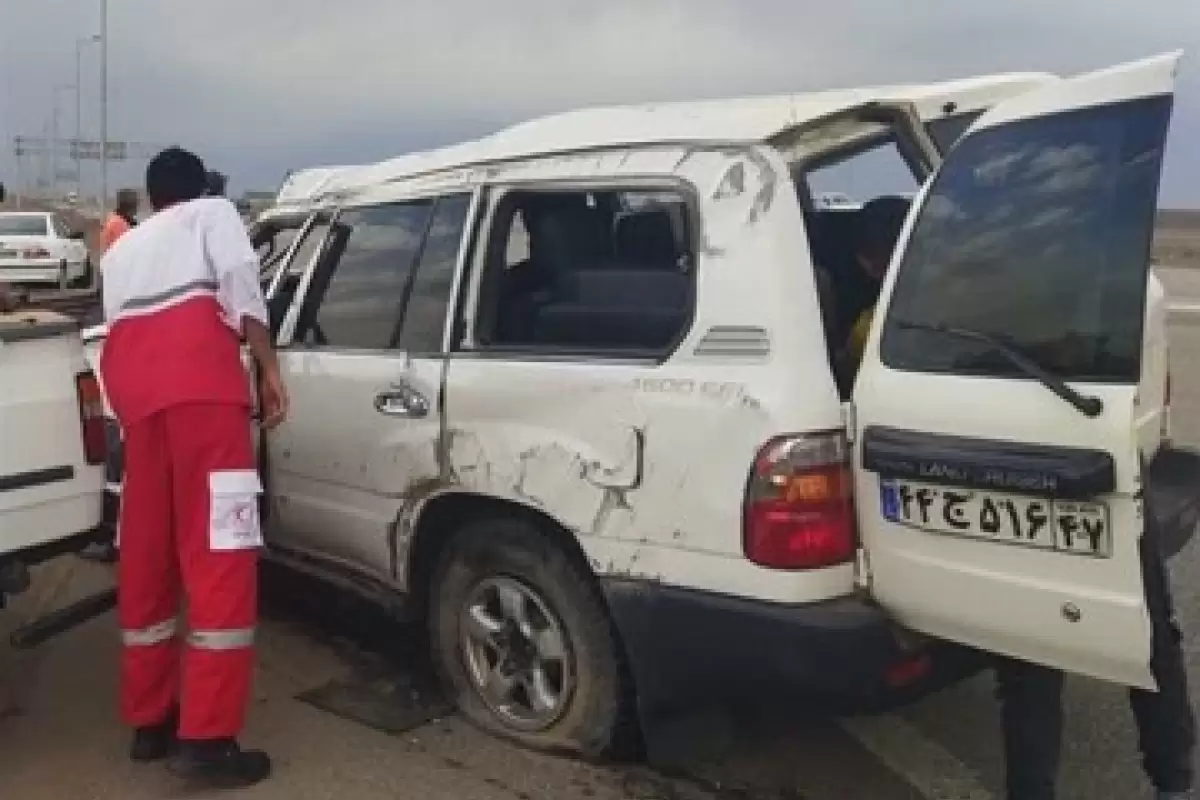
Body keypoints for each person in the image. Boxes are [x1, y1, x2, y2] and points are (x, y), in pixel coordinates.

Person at [98, 146, 288, 789]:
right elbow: (242, 287)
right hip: (205, 400)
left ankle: (149, 723)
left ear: (151, 199)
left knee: (148, 559)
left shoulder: (121, 249)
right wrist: (268, 367)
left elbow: (114, 328)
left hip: (139, 407)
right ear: (200, 187)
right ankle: (206, 739)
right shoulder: (213, 213)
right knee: (219, 559)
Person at [995, 486, 1195, 800]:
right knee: (1146, 633)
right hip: (1098, 474)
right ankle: (1173, 782)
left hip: (1026, 479)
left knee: (1030, 658)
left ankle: (1173, 781)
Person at [99, 188, 140, 255]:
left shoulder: (117, 219)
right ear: (127, 205)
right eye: (135, 204)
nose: (136, 208)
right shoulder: (118, 224)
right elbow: (128, 249)